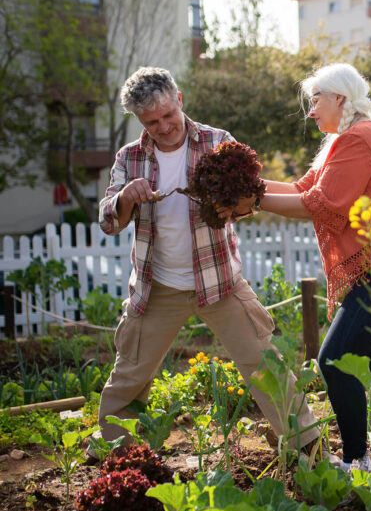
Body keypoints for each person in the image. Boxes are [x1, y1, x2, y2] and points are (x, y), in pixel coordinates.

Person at [220, 63, 371, 485]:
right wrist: (247, 185)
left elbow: (324, 203)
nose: (310, 111)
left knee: (333, 361)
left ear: (340, 98)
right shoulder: (343, 142)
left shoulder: (362, 136)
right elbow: (302, 190)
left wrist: (251, 197)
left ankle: (357, 462)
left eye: (315, 100)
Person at [96, 66, 319, 454]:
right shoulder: (129, 158)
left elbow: (250, 200)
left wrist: (233, 203)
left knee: (266, 365)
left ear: (179, 100)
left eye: (168, 115)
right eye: (152, 122)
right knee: (130, 374)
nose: (164, 126)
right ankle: (113, 457)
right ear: (139, 120)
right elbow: (108, 221)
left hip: (220, 283)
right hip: (157, 288)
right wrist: (125, 198)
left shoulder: (218, 142)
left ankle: (309, 449)